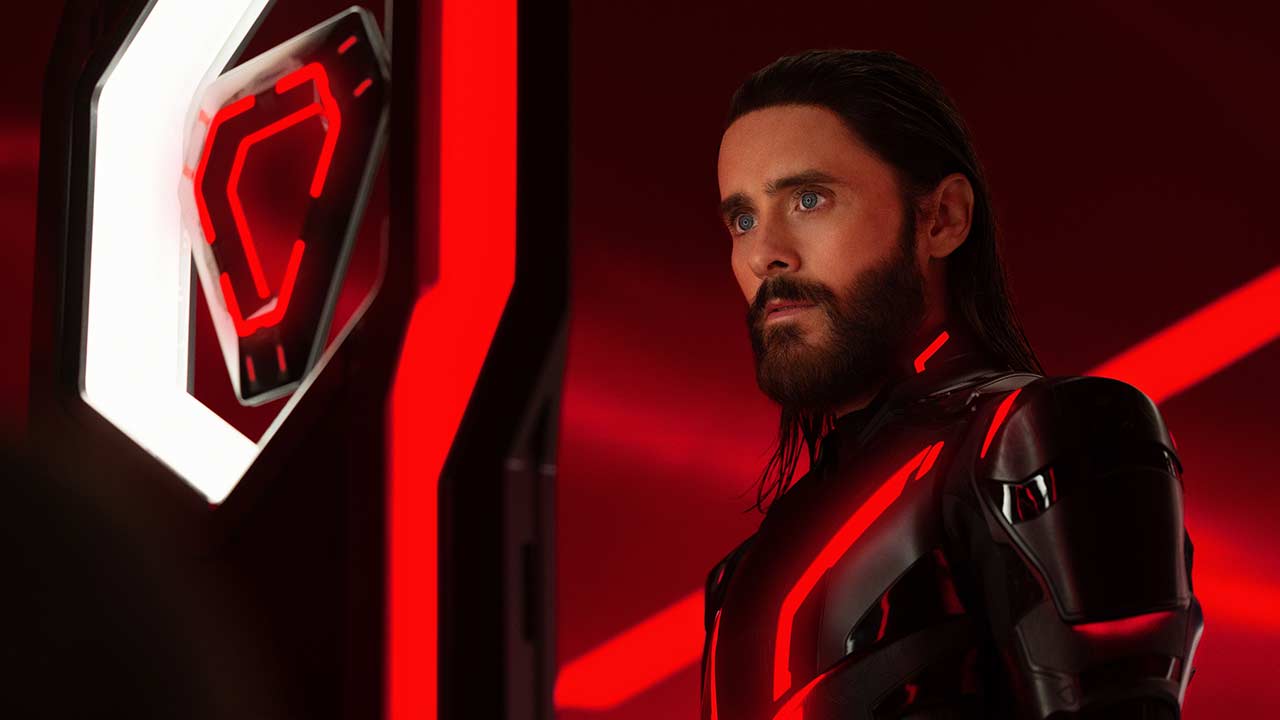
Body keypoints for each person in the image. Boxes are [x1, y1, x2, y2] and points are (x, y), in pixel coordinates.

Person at [702, 49, 1203, 720]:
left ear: (942, 218)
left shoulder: (1042, 434)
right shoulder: (745, 571)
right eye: (742, 219)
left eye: (809, 199)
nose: (766, 253)